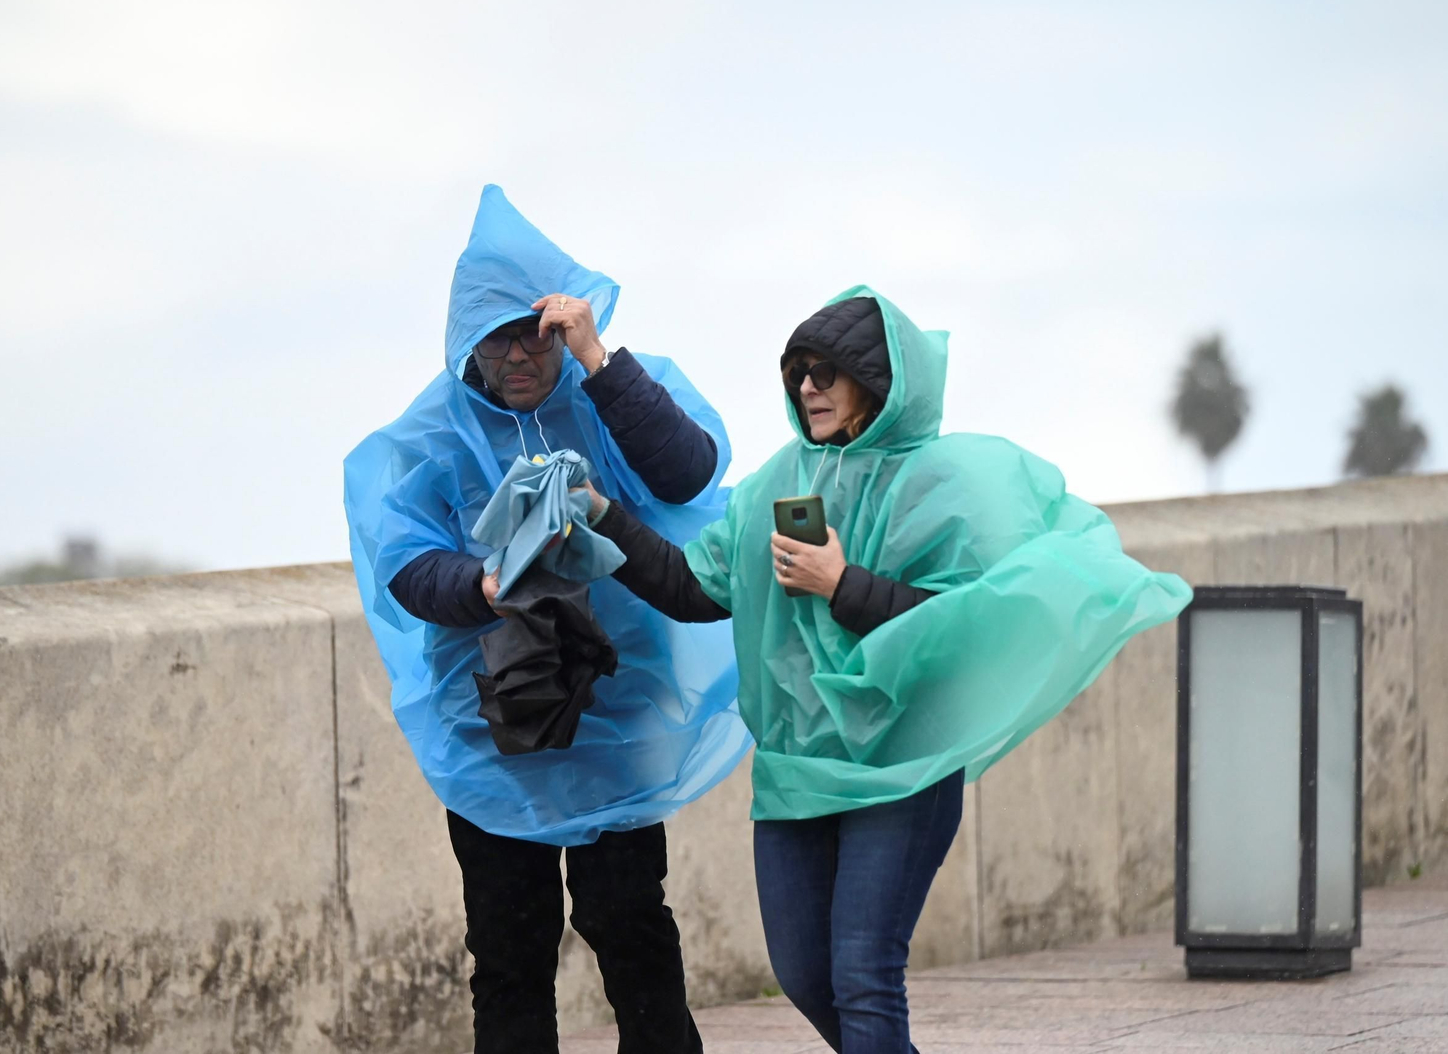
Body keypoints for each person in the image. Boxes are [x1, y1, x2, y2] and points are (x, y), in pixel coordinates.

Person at [584, 287, 1193, 1053]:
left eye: (826, 371)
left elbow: (968, 622)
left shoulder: (948, 486)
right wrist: (605, 516)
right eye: (797, 370)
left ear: (877, 383)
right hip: (798, 767)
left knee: (865, 973)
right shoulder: (779, 482)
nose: (807, 386)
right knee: (804, 973)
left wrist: (844, 585)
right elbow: (692, 587)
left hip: (903, 765)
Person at [343, 186, 749, 1054]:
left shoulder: (614, 387)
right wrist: (483, 583)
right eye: (497, 337)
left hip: (618, 703)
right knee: (509, 946)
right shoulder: (429, 437)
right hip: (497, 717)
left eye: (537, 331)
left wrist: (602, 362)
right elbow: (405, 561)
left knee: (630, 923)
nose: (519, 353)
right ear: (466, 345)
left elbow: (688, 473)